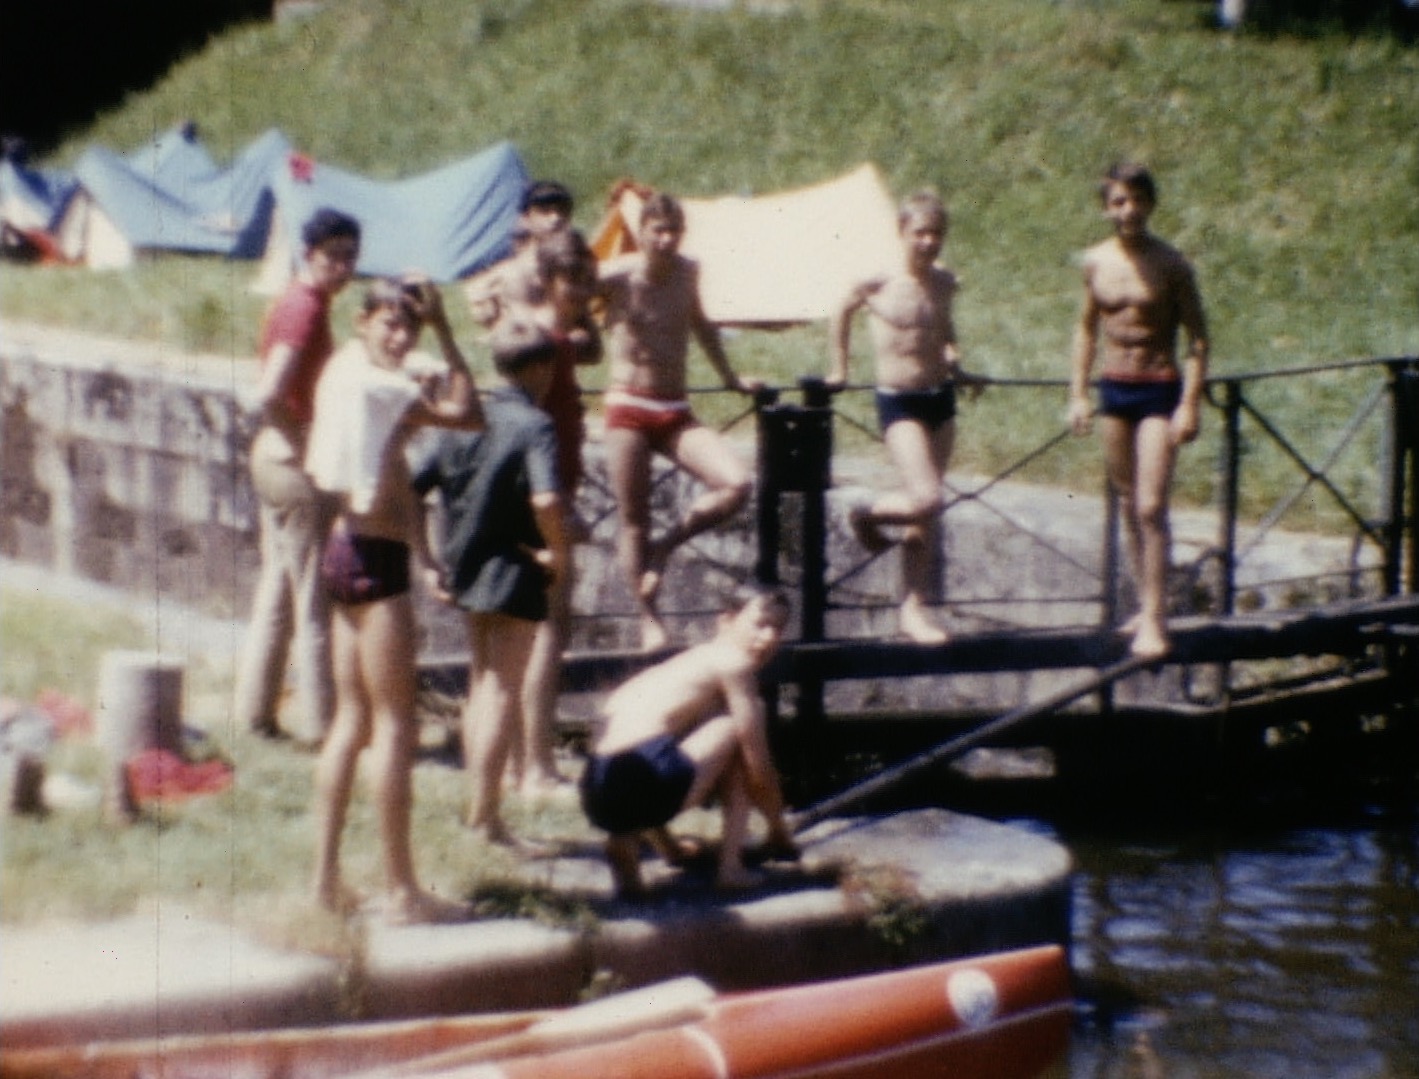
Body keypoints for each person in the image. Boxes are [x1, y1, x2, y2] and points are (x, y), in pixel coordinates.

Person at [305, 276, 482, 924]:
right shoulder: (383, 386)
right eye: (388, 324)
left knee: (350, 721)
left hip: (342, 548)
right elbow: (469, 412)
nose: (399, 336)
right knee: (394, 726)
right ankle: (403, 891)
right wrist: (443, 328)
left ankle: (323, 884)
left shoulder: (346, 368)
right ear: (361, 322)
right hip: (372, 561)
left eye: (406, 325)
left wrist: (427, 554)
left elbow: (399, 477)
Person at [413, 318, 571, 846]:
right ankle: (486, 818)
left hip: (467, 565)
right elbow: (546, 499)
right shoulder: (535, 424)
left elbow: (412, 486)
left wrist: (427, 559)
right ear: (541, 367)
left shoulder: (465, 419)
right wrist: (558, 550)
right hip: (516, 568)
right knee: (502, 691)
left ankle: (478, 808)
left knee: (483, 688)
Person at [598, 192, 760, 652]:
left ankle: (666, 547)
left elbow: (702, 325)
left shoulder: (689, 272)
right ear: (642, 231)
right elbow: (563, 296)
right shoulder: (616, 275)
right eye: (657, 230)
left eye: (674, 231)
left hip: (673, 407)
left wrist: (731, 378)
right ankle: (649, 619)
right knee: (633, 521)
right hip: (628, 404)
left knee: (735, 483)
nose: (666, 240)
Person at [826, 190, 983, 645]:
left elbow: (943, 327)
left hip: (940, 398)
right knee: (927, 497)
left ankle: (912, 611)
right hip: (899, 402)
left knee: (925, 516)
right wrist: (840, 368)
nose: (929, 242)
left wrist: (957, 362)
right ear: (902, 233)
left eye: (936, 234)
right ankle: (866, 514)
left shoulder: (944, 282)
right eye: (920, 233)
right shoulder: (878, 281)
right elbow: (840, 311)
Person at [1068, 162, 1209, 660]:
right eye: (1118, 202)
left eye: (1137, 200)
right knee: (1129, 502)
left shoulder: (1171, 264)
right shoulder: (1095, 261)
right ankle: (1145, 602)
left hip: (1157, 388)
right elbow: (1086, 327)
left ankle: (1156, 617)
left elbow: (1198, 338)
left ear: (1151, 203)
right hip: (1115, 390)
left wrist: (1189, 405)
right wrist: (1078, 393)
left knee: (1151, 505)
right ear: (1107, 208)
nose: (1128, 211)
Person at [580, 582, 799, 898]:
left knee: (662, 748)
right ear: (726, 620)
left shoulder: (684, 666)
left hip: (596, 788)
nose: (769, 638)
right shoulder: (733, 663)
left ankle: (627, 839)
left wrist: (670, 849)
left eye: (778, 629)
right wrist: (778, 831)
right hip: (647, 778)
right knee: (738, 731)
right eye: (760, 625)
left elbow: (625, 739)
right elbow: (759, 768)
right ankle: (731, 868)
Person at [234, 208, 360, 745]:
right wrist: (305, 442)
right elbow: (267, 393)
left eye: (351, 257)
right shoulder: (306, 310)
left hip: (271, 459)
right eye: (333, 256)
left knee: (278, 593)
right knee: (314, 602)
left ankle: (253, 713)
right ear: (310, 254)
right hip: (292, 465)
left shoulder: (295, 299)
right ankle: (324, 726)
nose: (343, 267)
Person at [514, 229, 602, 796]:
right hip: (543, 497)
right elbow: (532, 428)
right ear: (549, 281)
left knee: (542, 632)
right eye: (571, 281)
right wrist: (558, 504)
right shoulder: (544, 341)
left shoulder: (557, 337)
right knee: (545, 633)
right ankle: (535, 766)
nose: (581, 291)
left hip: (553, 488)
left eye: (586, 280)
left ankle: (527, 760)